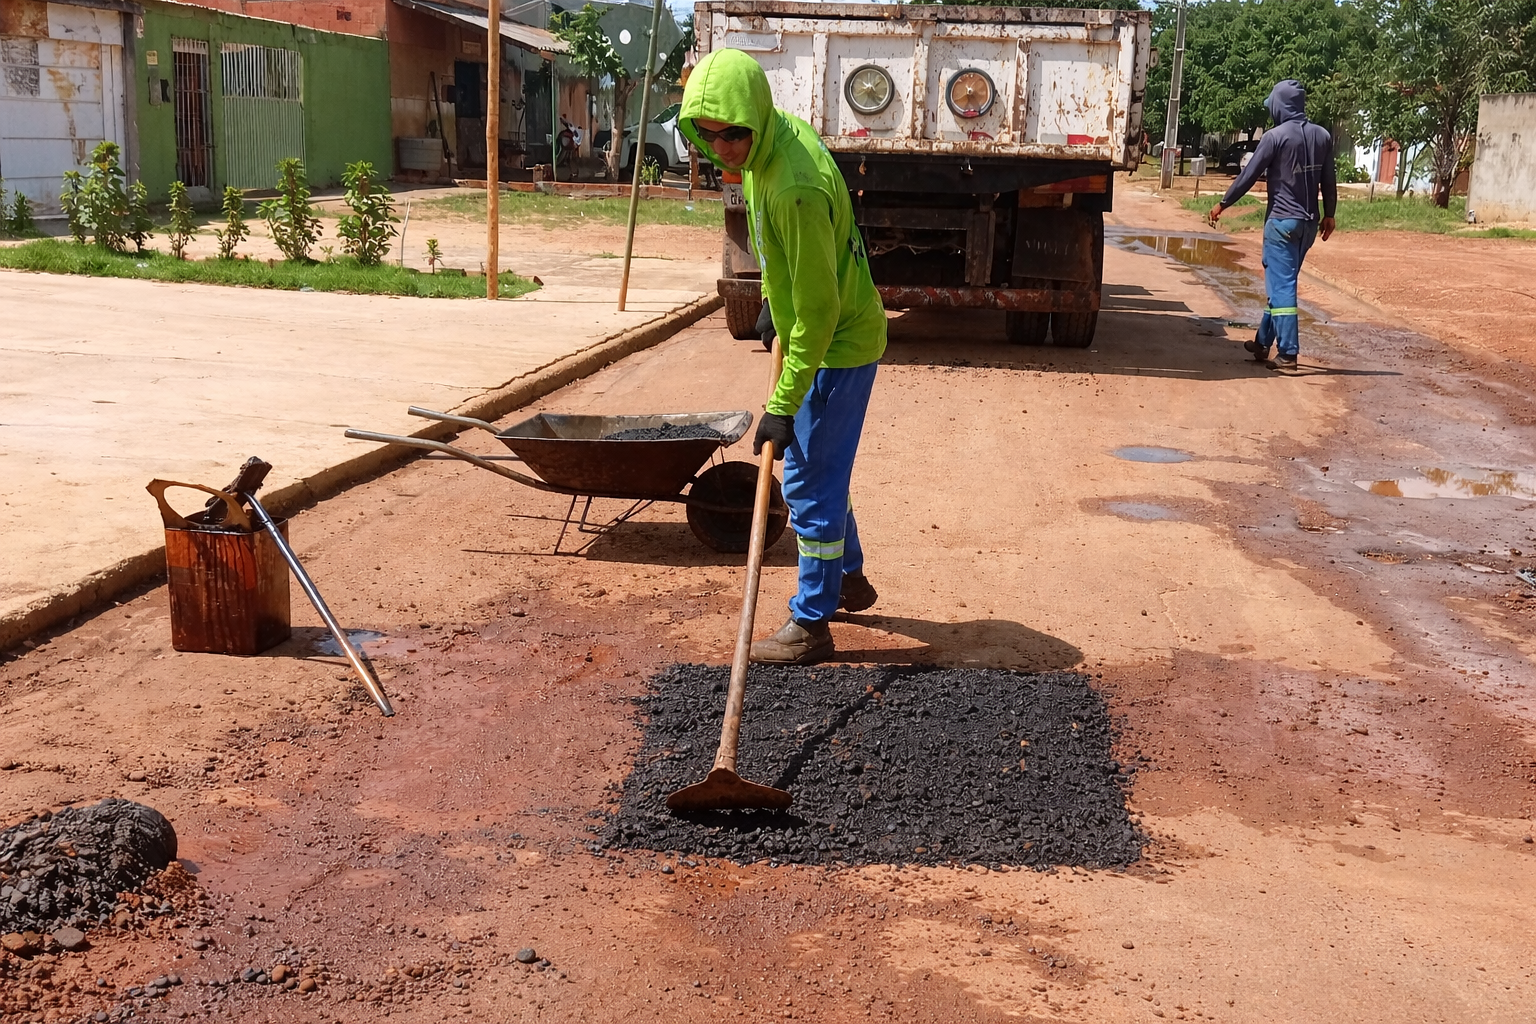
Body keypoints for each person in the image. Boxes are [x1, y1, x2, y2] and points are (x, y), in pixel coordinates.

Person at [678, 48, 887, 666]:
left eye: (734, 133)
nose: (725, 147)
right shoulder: (775, 140)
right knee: (823, 467)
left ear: (756, 119)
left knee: (805, 480)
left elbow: (819, 315)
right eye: (708, 135)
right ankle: (848, 577)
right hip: (828, 332)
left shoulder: (791, 183)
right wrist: (773, 299)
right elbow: (781, 255)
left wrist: (782, 403)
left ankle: (811, 622)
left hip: (835, 346)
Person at [1208, 80, 1337, 373]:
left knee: (1283, 287)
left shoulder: (1274, 137)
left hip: (1281, 223)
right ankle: (1262, 342)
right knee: (1282, 283)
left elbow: (1248, 175)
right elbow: (1328, 179)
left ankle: (1288, 353)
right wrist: (1330, 214)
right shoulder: (1323, 136)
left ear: (1280, 105)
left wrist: (1223, 204)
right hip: (1308, 224)